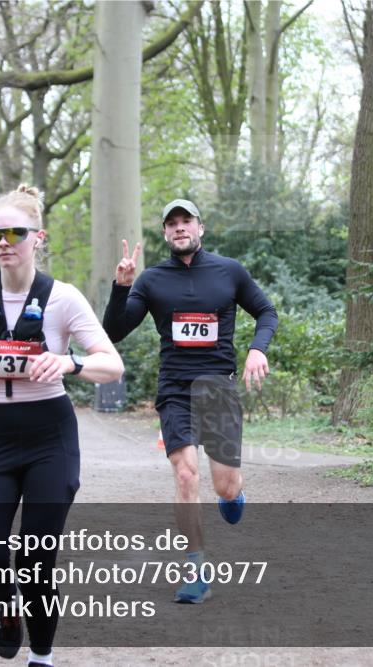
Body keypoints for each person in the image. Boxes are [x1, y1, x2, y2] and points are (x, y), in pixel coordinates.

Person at [0, 184, 123, 666]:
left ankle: (42, 656)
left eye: (14, 232)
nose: (3, 242)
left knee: (36, 562)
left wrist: (69, 364)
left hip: (49, 435)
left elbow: (113, 364)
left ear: (37, 237)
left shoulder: (63, 299)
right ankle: (9, 606)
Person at [103, 198, 278, 604]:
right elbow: (114, 332)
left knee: (226, 487)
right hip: (175, 390)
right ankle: (196, 570)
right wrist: (122, 287)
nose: (180, 228)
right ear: (165, 233)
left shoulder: (229, 271)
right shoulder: (151, 280)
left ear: (200, 229)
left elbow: (266, 311)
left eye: (187, 221)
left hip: (218, 388)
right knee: (185, 475)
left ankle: (234, 495)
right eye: (172, 223)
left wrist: (258, 349)